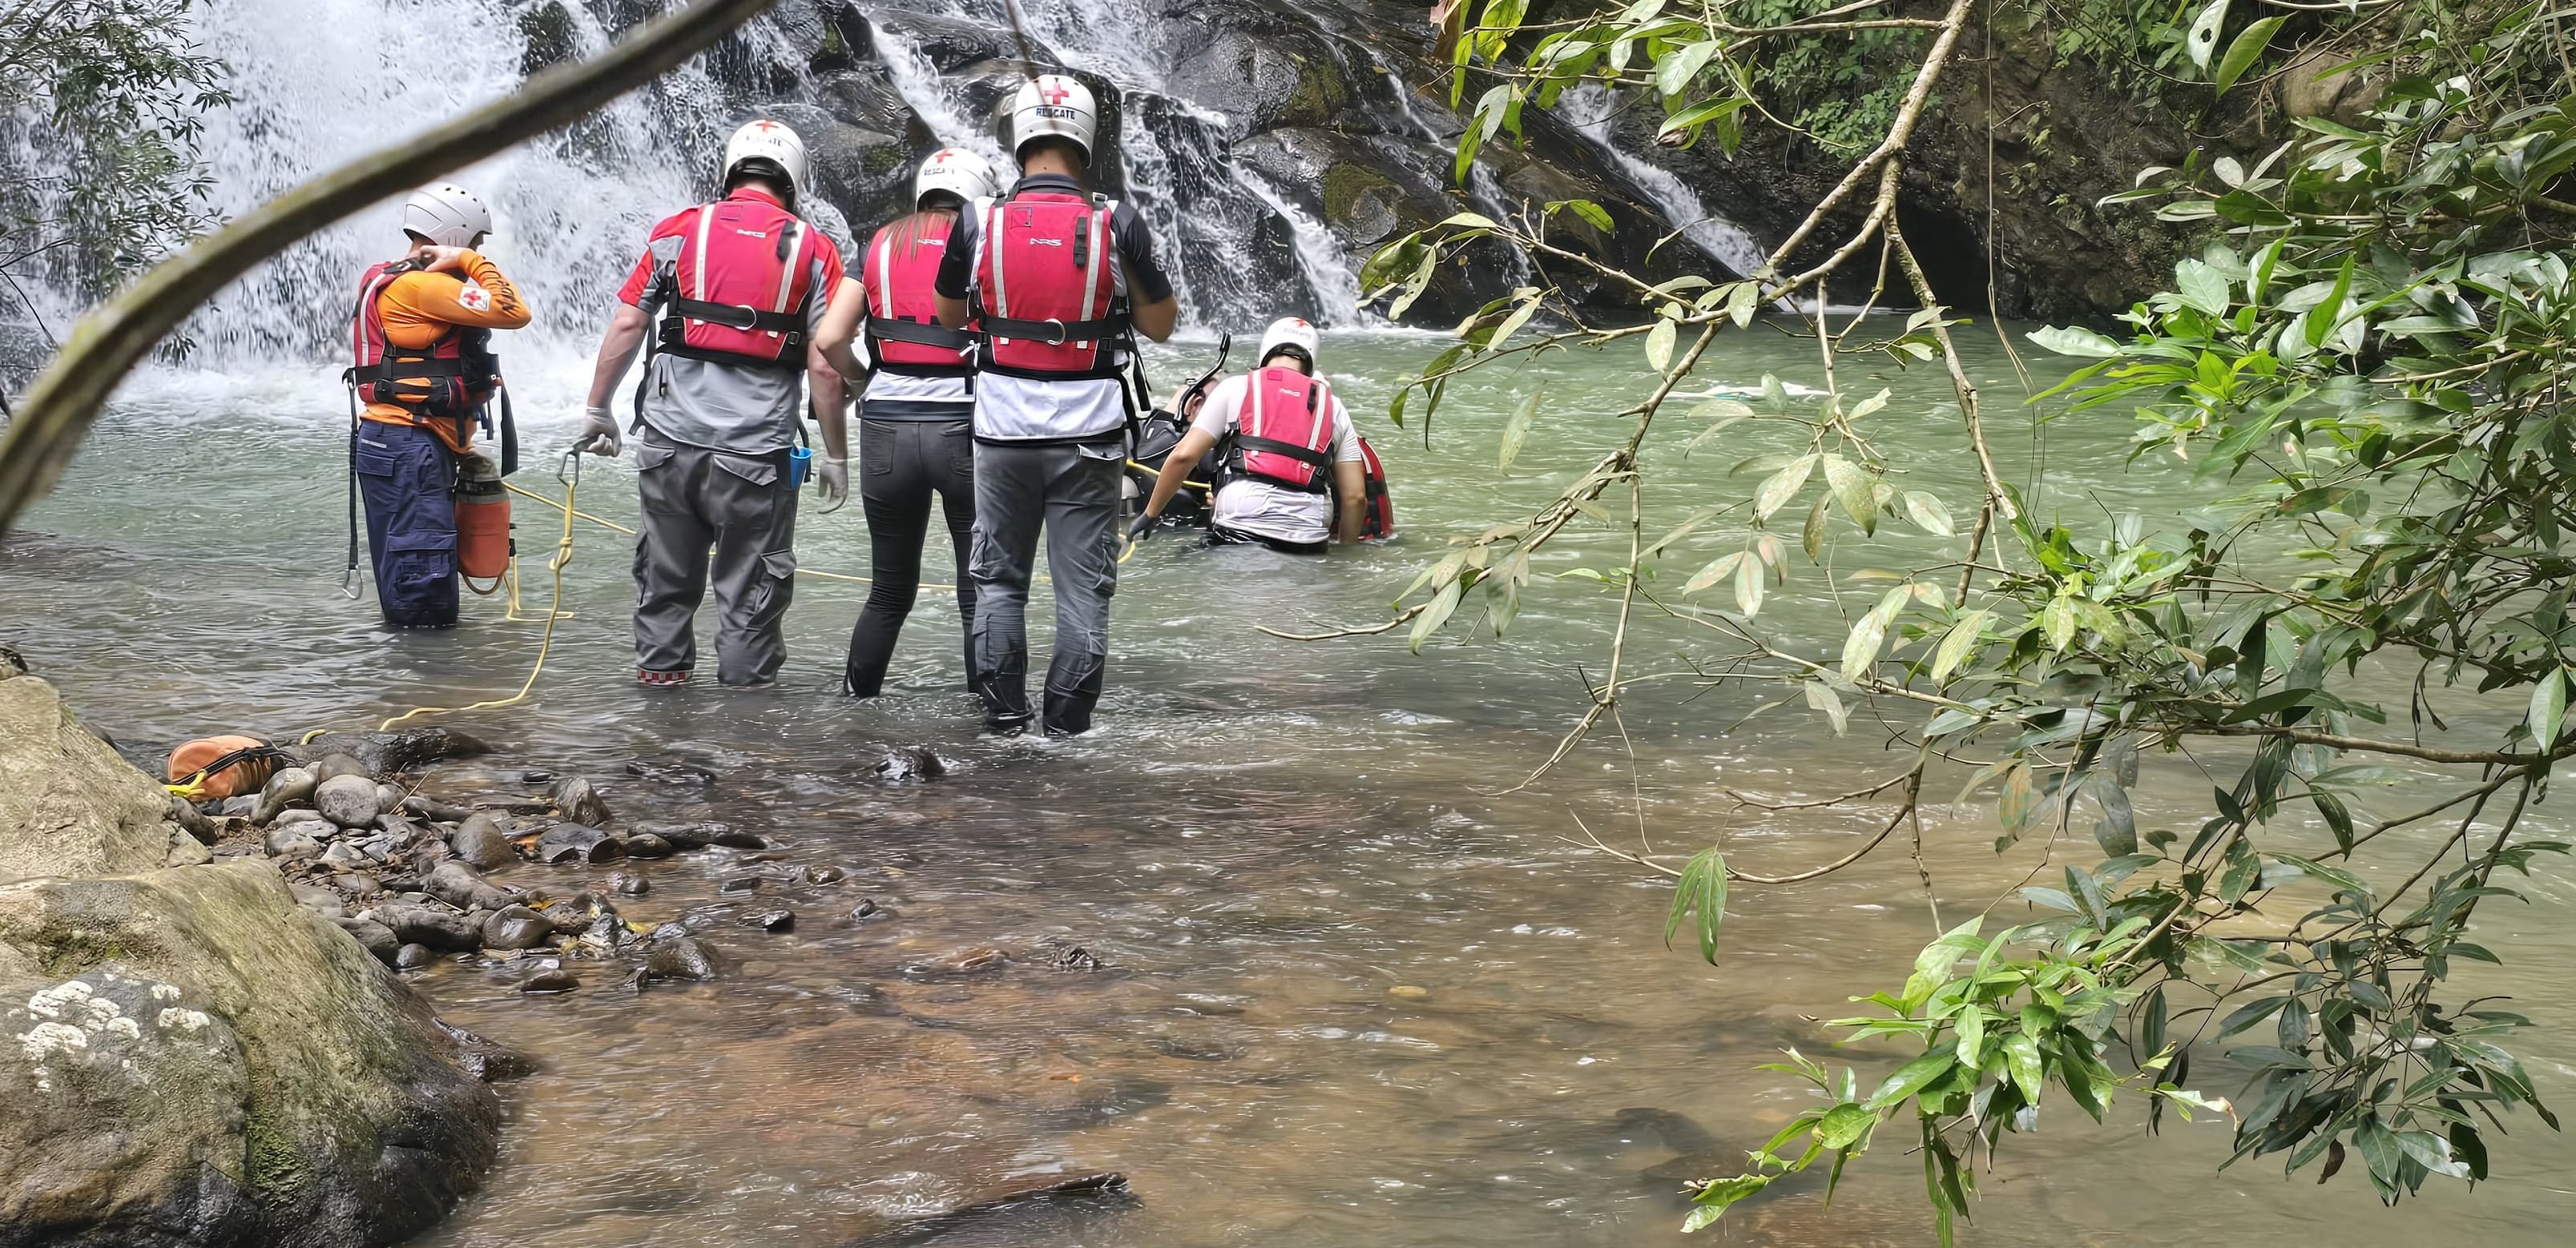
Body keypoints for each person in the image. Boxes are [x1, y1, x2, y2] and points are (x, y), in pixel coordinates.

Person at [931, 75, 1181, 735]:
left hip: (1001, 428)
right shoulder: (1115, 219)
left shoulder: (976, 218)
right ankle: (1066, 733)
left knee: (999, 583)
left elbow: (947, 312)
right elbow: (1160, 327)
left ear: (1019, 138)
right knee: (1083, 592)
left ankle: (1005, 726)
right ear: (1087, 138)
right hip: (1090, 433)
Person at [577, 119, 859, 687]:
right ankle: (744, 749)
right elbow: (825, 362)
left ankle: (658, 736)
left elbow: (631, 321)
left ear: (730, 170)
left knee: (664, 585)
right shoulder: (813, 249)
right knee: (751, 599)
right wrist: (836, 453)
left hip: (668, 444)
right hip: (756, 452)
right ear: (793, 181)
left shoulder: (679, 229)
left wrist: (597, 409)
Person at [814, 147, 1001, 697]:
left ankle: (853, 706)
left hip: (886, 426)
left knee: (888, 591)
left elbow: (828, 339)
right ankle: (988, 719)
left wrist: (863, 381)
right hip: (964, 424)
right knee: (978, 591)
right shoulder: (983, 241)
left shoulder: (877, 245)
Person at [346, 183, 531, 628]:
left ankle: (410, 679)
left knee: (409, 572)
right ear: (452, 236)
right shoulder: (423, 287)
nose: (478, 250)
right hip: (410, 448)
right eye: (474, 242)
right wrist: (469, 262)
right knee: (422, 586)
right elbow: (514, 311)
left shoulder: (391, 273)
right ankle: (428, 683)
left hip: (395, 443)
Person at [1131, 317, 1365, 555]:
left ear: (1266, 350)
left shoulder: (1236, 388)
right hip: (1309, 538)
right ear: (1310, 360)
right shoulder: (1335, 408)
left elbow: (1183, 456)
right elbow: (1355, 498)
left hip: (1240, 527)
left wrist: (1150, 514)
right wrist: (1346, 552)